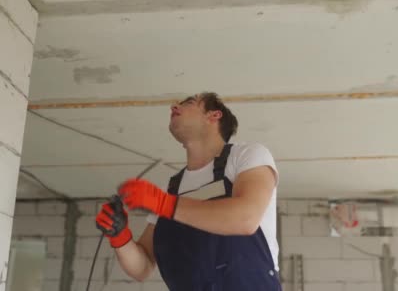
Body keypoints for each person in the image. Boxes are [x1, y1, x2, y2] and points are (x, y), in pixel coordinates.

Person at [95, 92, 281, 290]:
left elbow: (246, 218)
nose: (173, 107)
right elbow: (143, 267)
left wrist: (163, 204)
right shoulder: (173, 189)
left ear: (214, 115)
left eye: (188, 103)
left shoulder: (245, 155)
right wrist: (120, 236)